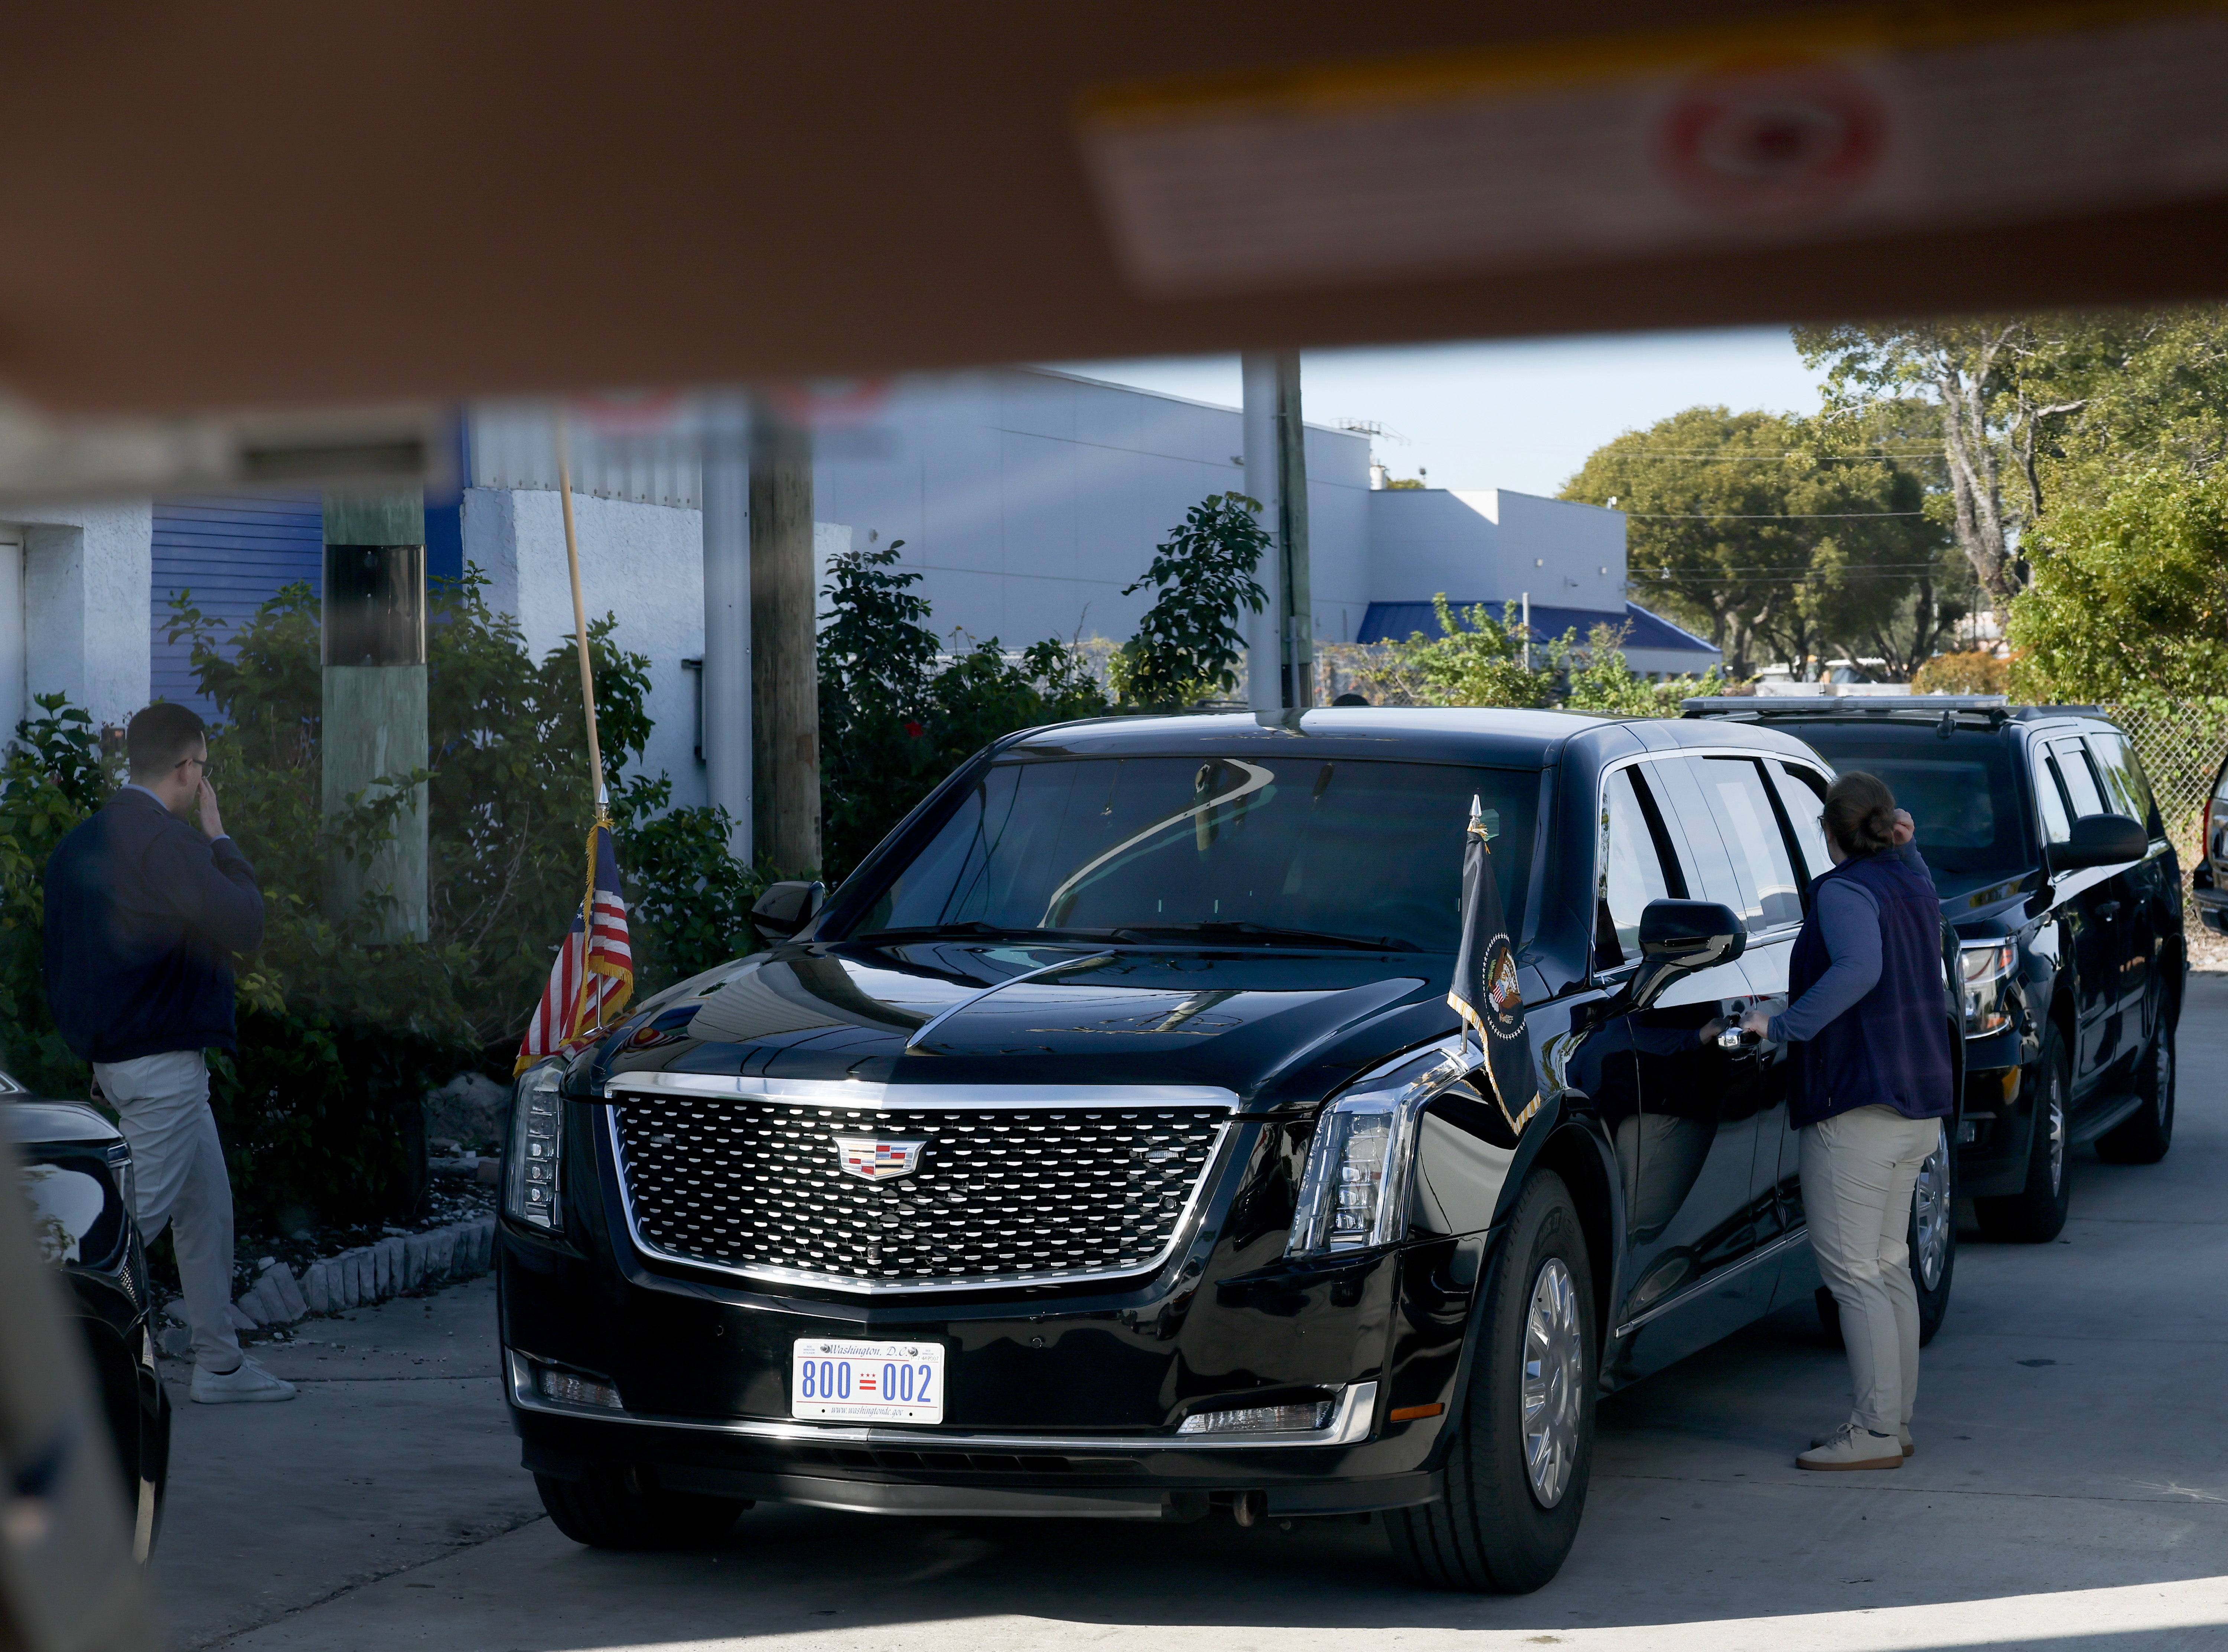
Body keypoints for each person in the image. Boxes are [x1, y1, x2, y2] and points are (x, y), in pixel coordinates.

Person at [44, 703, 296, 1404]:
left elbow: (69, 963)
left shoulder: (81, 844)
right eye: (204, 768)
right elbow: (246, 922)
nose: (203, 781)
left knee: (206, 1205)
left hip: (125, 1062)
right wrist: (221, 836)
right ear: (187, 768)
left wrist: (100, 1051)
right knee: (121, 1230)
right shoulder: (169, 844)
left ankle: (220, 1365)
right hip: (162, 1066)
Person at [1740, 772, 1950, 1471]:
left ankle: (1875, 1431)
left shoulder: (1843, 890)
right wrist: (1908, 846)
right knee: (1887, 1267)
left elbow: (1860, 969)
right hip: (1917, 1104)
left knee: (1854, 1274)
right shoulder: (1913, 880)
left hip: (1856, 1107)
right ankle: (1895, 1421)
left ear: (1830, 831)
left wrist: (1783, 1024)